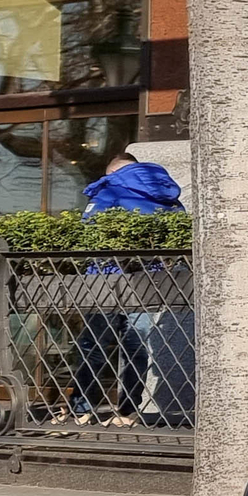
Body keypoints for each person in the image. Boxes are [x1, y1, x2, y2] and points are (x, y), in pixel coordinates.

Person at [73, 153, 189, 426]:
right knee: (136, 347)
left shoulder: (110, 187)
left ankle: (82, 409)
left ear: (113, 170)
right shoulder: (163, 189)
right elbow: (179, 230)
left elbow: (88, 228)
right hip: (147, 281)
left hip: (106, 278)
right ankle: (127, 412)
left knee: (94, 345)